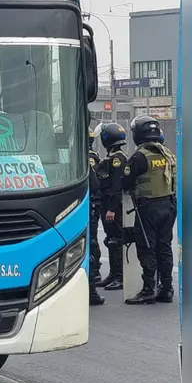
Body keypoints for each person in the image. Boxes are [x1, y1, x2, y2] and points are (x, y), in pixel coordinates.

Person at [123, 116, 177, 304]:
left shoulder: (139, 157)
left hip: (148, 208)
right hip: (169, 206)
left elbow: (125, 183)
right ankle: (167, 289)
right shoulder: (167, 153)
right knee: (164, 248)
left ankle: (148, 290)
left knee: (147, 248)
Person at [96, 122, 128, 291]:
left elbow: (117, 186)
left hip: (113, 206)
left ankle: (120, 277)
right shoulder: (112, 156)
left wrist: (112, 209)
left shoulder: (118, 159)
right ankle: (113, 275)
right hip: (108, 204)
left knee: (116, 240)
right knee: (111, 240)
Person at [87, 127, 105, 306]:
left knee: (90, 245)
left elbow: (95, 184)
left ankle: (91, 289)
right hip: (87, 206)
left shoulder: (79, 158)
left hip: (86, 206)